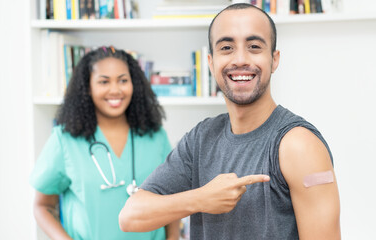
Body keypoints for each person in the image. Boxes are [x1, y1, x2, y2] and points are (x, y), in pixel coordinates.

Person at [119, 3, 340, 239]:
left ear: (274, 60)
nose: (240, 59)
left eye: (254, 46)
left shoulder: (298, 145)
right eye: (227, 47)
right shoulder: (201, 139)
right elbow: (130, 216)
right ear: (211, 62)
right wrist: (201, 198)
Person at [30, 46, 180, 240]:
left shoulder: (156, 137)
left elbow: (171, 201)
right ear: (88, 87)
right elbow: (43, 206)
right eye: (104, 82)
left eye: (123, 80)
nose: (115, 90)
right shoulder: (64, 140)